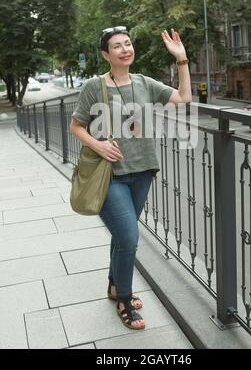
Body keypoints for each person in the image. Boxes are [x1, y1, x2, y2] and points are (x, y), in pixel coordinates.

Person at [70, 26, 192, 330]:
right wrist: (98, 145)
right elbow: (76, 125)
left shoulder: (144, 83)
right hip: (109, 175)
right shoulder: (93, 87)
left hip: (142, 172)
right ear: (106, 55)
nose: (125, 49)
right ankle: (124, 299)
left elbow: (185, 98)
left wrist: (182, 60)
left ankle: (114, 284)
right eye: (117, 46)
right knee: (128, 236)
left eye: (128, 43)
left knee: (122, 237)